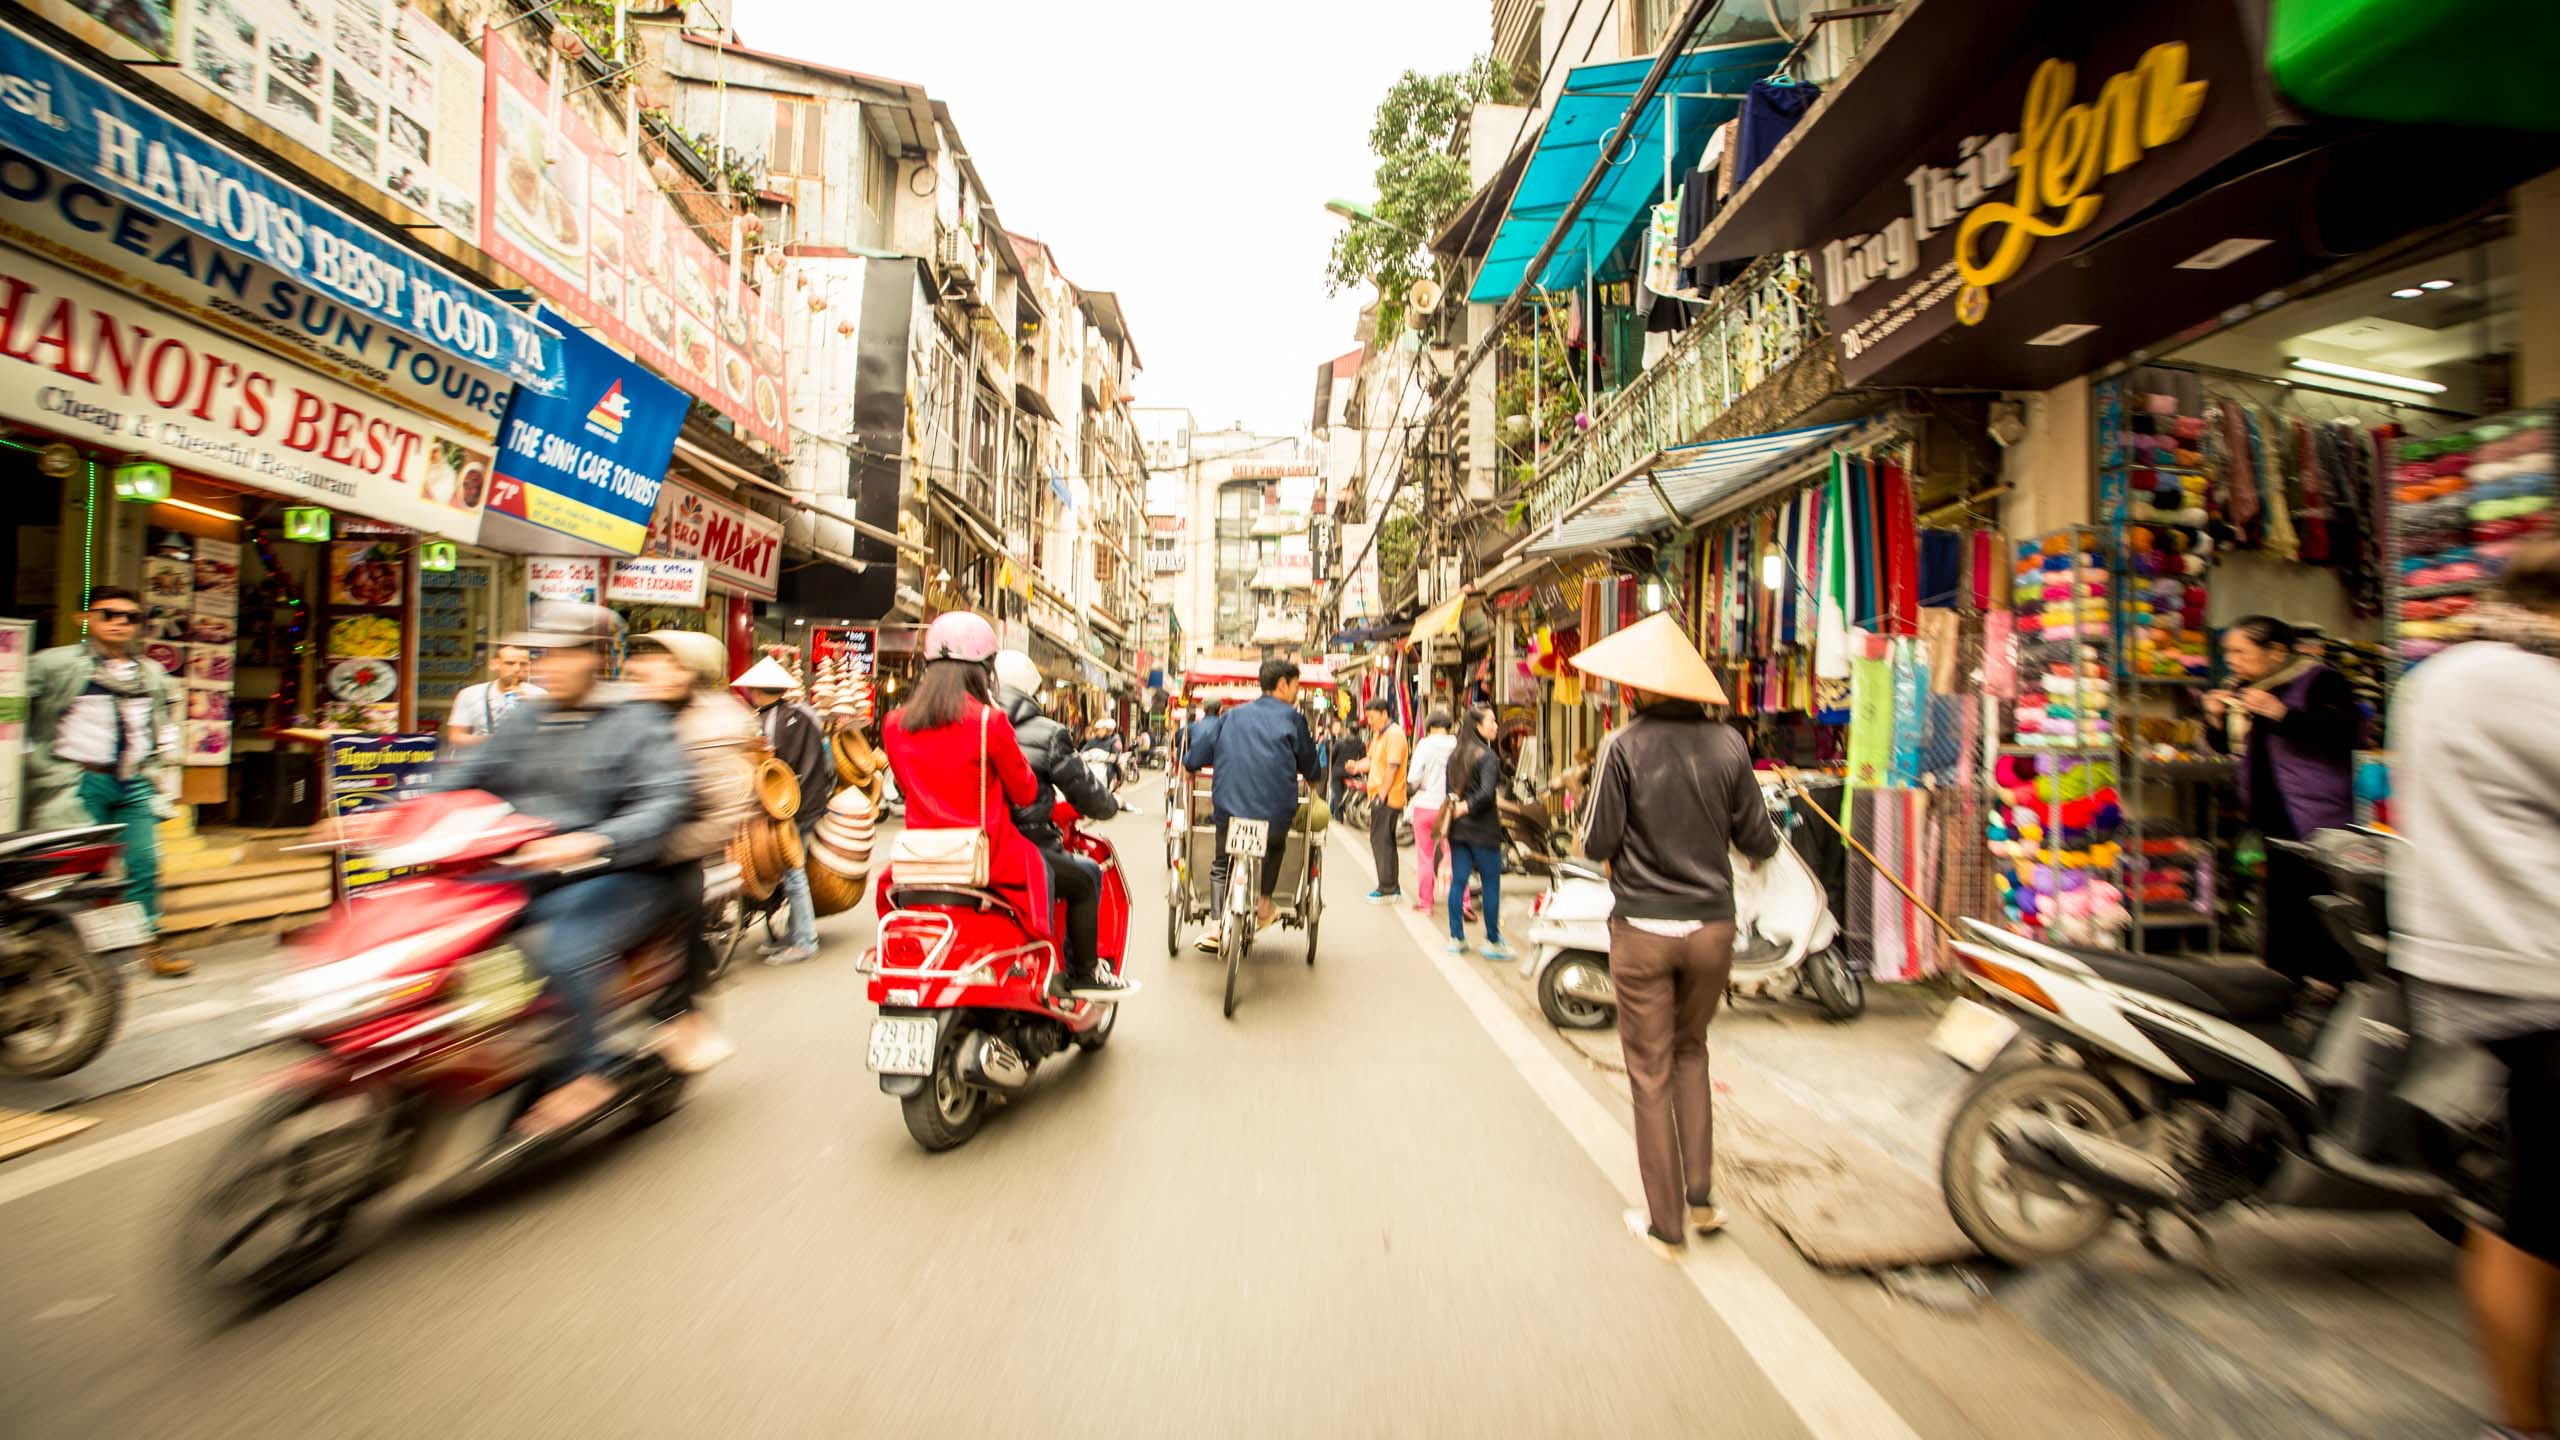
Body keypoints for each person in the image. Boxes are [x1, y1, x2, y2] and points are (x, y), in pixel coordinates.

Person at [2391, 540, 2560, 1440]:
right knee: (2533, 1217)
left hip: (2475, 967)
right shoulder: (2532, 685)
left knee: (2524, 1207)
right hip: (2544, 966)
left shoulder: (2443, 677)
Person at [433, 602, 693, 1133]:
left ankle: (589, 1068)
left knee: (564, 946)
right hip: (528, 869)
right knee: (446, 928)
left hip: (617, 875)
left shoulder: (637, 719)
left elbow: (665, 802)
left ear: (595, 658)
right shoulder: (527, 716)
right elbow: (466, 773)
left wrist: (593, 840)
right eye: (540, 654)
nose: (546, 665)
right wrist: (387, 815)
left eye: (561, 653)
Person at [1571, 613, 1779, 1259]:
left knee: (1650, 1072)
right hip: (1712, 930)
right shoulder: (1729, 747)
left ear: (1636, 688)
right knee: (1692, 1051)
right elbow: (1758, 840)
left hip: (1643, 930)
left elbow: (1598, 840)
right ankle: (1701, 1196)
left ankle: (1666, 1226)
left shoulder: (1623, 746)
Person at [880, 613, 1060, 979]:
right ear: (983, 670)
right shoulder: (988, 722)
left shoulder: (894, 724)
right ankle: (1046, 967)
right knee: (1048, 874)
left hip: (918, 859)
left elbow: (903, 785)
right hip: (987, 854)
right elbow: (1025, 791)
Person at [27, 587, 188, 976]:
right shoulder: (53, 664)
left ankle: (148, 945)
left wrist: (161, 767)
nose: (120, 623)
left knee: (143, 863)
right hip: (78, 779)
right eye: (109, 614)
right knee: (74, 871)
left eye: (130, 617)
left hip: (134, 782)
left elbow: (161, 722)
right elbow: (12, 701)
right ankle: (69, 959)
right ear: (84, 618)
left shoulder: (149, 671)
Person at [626, 631, 758, 1074]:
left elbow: (727, 809)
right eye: (645, 660)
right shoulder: (627, 711)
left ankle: (681, 1012)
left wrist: (660, 845)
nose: (649, 670)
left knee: (675, 902)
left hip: (671, 855)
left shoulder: (718, 724)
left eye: (665, 662)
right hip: (615, 844)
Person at [2203, 616, 2361, 987]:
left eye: (2241, 651)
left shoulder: (2321, 681)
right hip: (2270, 812)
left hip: (2315, 812)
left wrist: (2280, 713)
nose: (2232, 661)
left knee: (2320, 898)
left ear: (2276, 652)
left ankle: (2332, 982)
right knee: (2282, 901)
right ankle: (2284, 981)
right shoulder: (2244, 688)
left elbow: (2343, 734)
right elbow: (2227, 747)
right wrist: (2214, 719)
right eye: (2229, 652)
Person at [994, 649, 1131, 1000]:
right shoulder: (1046, 734)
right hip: (1022, 848)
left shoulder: (965, 722)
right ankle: (1083, 971)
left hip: (965, 844)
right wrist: (1109, 804)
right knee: (1088, 876)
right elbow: (1086, 793)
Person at [1183, 658, 1319, 952]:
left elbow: (1198, 755)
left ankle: (1218, 923)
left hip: (1228, 810)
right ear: (1282, 684)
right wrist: (1313, 780)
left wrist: (1192, 766)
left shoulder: (1231, 717)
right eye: (1296, 685)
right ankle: (1265, 903)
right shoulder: (1292, 719)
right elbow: (1311, 768)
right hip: (1274, 815)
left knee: (1221, 862)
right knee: (1276, 846)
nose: (1297, 692)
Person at [736, 653, 835, 965]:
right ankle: (794, 935)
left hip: (793, 808)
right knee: (794, 871)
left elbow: (771, 767)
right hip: (809, 803)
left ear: (759, 690)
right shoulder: (802, 713)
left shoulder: (772, 722)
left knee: (794, 873)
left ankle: (805, 940)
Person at [1440, 706, 1510, 961]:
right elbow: (1487, 792)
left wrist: (1457, 809)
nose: (1496, 726)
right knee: (1491, 882)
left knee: (1459, 881)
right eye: (1491, 721)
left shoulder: (1455, 755)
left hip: (1458, 831)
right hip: (1482, 829)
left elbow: (1449, 790)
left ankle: (1456, 937)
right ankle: (1492, 940)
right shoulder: (1488, 756)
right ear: (1478, 726)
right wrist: (1466, 807)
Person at [1347, 698, 1409, 903]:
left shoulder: (1395, 735)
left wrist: (1381, 795)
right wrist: (1356, 766)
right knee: (1383, 840)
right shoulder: (1379, 735)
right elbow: (1372, 761)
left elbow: (1392, 767)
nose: (1370, 722)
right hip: (1380, 796)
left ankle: (1387, 888)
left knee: (1381, 840)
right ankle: (1391, 886)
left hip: (1388, 798)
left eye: (1373, 718)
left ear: (1384, 714)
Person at [444, 644, 543, 748]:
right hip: (482, 761)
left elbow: (547, 740)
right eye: (509, 663)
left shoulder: (540, 696)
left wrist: (530, 706)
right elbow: (455, 738)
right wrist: (494, 740)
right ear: (494, 664)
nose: (517, 669)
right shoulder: (470, 694)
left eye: (523, 664)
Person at [1326, 716, 1365, 821]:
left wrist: (1333, 767)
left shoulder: (1340, 741)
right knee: (1346, 793)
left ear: (1348, 730)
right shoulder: (1360, 743)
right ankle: (1343, 809)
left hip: (1338, 770)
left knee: (1337, 793)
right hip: (1351, 772)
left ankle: (1339, 816)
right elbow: (1363, 758)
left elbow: (1332, 755)